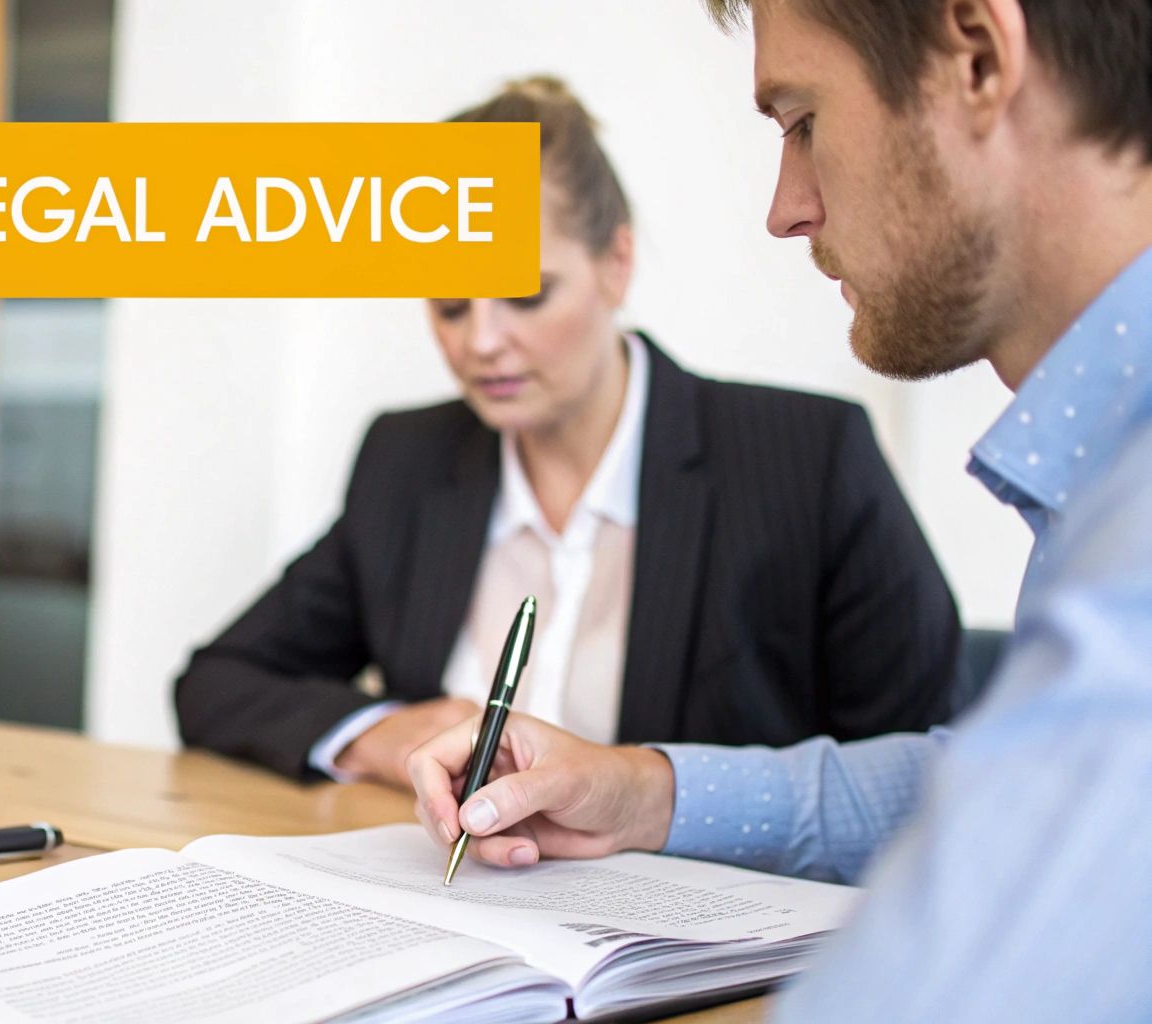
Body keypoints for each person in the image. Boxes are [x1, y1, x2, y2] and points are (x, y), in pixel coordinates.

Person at [410, 2, 1152, 1020]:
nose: (784, 207)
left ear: (975, 59)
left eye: (798, 119)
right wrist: (642, 791)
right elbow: (969, 784)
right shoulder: (1098, 471)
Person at [174, 76, 964, 786]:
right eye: (449, 303)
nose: (481, 342)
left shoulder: (805, 460)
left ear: (616, 263)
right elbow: (218, 681)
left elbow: (927, 771)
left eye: (525, 293)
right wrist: (377, 732)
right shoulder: (406, 463)